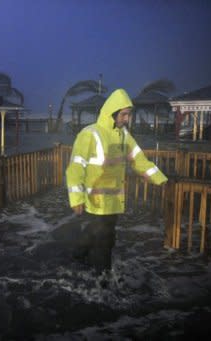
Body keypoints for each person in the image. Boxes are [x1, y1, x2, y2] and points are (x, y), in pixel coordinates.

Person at [65, 89, 168, 273]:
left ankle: (77, 256)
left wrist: (161, 179)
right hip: (96, 201)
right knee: (104, 243)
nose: (127, 119)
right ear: (112, 112)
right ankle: (103, 284)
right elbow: (75, 168)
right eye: (124, 114)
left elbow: (139, 160)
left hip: (114, 201)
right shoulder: (90, 134)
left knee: (101, 234)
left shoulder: (124, 135)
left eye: (128, 114)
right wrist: (77, 199)